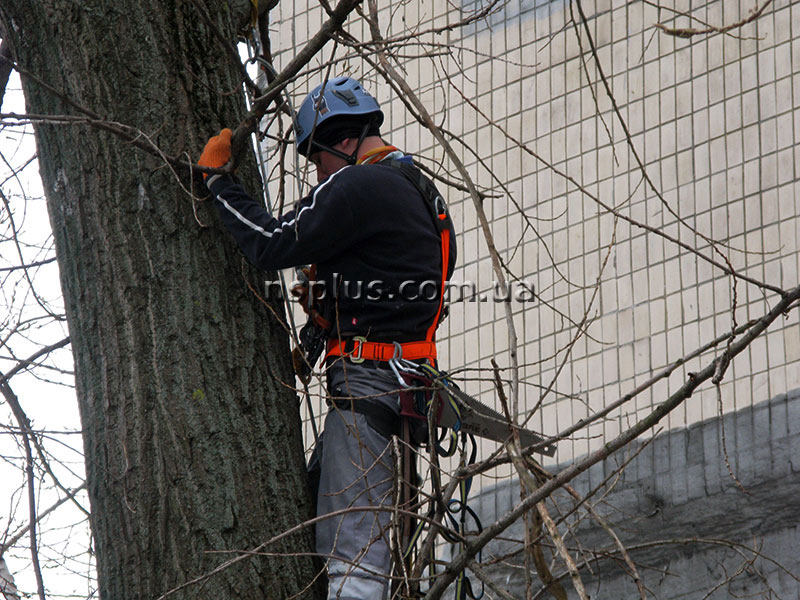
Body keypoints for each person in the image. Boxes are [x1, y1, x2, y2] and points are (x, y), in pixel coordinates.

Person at [198, 75, 456, 599]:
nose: (318, 176)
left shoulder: (358, 184)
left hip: (369, 385)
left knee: (353, 564)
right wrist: (326, 315)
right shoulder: (417, 188)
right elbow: (397, 281)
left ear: (342, 140)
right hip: (399, 383)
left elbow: (273, 243)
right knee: (327, 523)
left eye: (317, 162)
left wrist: (217, 184)